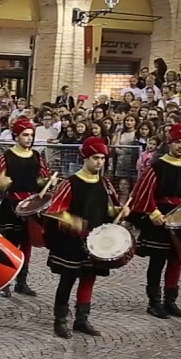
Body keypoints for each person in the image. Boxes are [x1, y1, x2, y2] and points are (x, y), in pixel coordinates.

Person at [130, 123, 181, 319]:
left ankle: (170, 301)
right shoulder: (157, 167)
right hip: (161, 220)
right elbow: (143, 193)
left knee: (176, 261)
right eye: (177, 142)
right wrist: (153, 212)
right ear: (169, 143)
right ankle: (154, 302)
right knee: (157, 261)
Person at [43, 137, 121, 338]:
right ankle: (60, 320)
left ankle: (81, 319)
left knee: (89, 279)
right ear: (85, 158)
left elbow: (110, 209)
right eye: (95, 158)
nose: (99, 162)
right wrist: (72, 221)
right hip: (72, 242)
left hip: (95, 241)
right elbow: (55, 210)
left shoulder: (105, 183)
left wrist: (120, 210)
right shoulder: (71, 183)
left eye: (103, 158)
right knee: (68, 279)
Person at [0, 116, 52, 297]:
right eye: (25, 135)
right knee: (10, 244)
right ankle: (5, 281)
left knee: (27, 244)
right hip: (12, 205)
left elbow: (42, 177)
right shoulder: (6, 157)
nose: (29, 138)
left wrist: (47, 181)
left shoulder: (36, 156)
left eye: (31, 135)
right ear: (16, 136)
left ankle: (22, 282)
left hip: (31, 206)